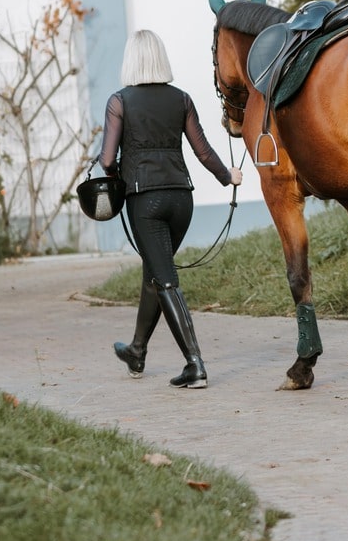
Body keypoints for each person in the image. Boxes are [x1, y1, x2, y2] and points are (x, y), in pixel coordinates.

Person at [101, 29, 242, 388]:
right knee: (155, 272)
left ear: (130, 61)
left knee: (164, 279)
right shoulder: (181, 99)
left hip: (145, 200)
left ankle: (195, 364)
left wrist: (121, 172)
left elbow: (105, 161)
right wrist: (229, 177)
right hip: (182, 199)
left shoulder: (119, 102)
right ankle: (136, 350)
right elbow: (204, 151)